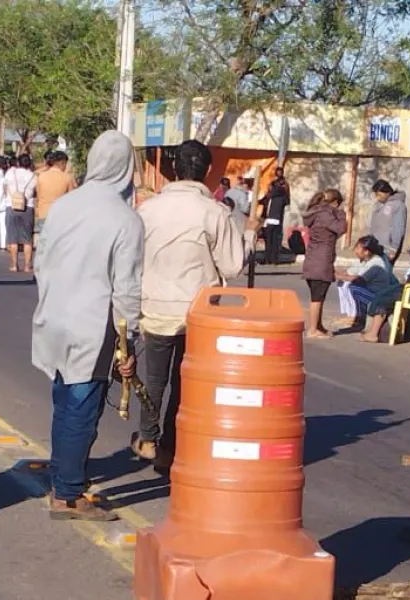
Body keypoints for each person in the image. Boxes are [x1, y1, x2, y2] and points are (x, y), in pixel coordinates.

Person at [32, 130, 143, 522]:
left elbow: (40, 262)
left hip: (54, 318)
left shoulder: (63, 206)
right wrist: (129, 338)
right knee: (82, 406)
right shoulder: (125, 219)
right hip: (91, 327)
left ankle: (63, 474)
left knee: (64, 400)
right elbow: (126, 289)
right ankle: (68, 494)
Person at [133, 140, 246, 471]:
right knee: (185, 383)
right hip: (197, 312)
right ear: (208, 171)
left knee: (155, 378)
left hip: (154, 307)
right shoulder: (214, 212)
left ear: (173, 169)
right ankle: (171, 447)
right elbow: (231, 266)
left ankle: (148, 437)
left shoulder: (147, 210)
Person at [336, 235, 401, 342]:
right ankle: (355, 315)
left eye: (358, 248)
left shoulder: (376, 263)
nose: (355, 251)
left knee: (354, 287)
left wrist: (337, 276)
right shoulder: (366, 259)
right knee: (345, 283)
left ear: (366, 251)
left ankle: (360, 317)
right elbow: (350, 271)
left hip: (380, 295)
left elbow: (359, 279)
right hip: (375, 291)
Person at [301, 189, 347, 338]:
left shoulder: (315, 213)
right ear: (334, 203)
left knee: (319, 295)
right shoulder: (326, 215)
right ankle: (313, 329)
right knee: (317, 297)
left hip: (313, 258)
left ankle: (318, 325)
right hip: (321, 260)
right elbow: (341, 228)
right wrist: (341, 215)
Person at [4, 153, 37, 272]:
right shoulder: (33, 176)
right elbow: (35, 192)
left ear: (18, 163)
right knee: (27, 238)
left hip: (11, 205)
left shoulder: (10, 173)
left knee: (13, 237)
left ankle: (14, 264)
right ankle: (28, 265)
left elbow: (5, 188)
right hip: (28, 207)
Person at [35, 149, 76, 240]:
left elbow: (38, 195)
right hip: (60, 216)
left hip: (43, 214)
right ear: (62, 162)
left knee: (44, 245)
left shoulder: (41, 176)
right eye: (66, 164)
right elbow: (72, 198)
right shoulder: (67, 178)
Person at [368, 179, 409, 265]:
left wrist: (393, 249)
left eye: (379, 194)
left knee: (384, 273)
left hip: (387, 247)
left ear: (387, 192)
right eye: (376, 195)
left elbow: (398, 229)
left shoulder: (398, 206)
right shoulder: (379, 204)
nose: (377, 197)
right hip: (375, 245)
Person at [257, 171, 291, 264]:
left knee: (268, 241)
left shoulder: (269, 197)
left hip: (268, 220)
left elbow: (261, 202)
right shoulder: (282, 197)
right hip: (278, 220)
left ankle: (268, 258)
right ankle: (274, 259)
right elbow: (287, 202)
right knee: (275, 241)